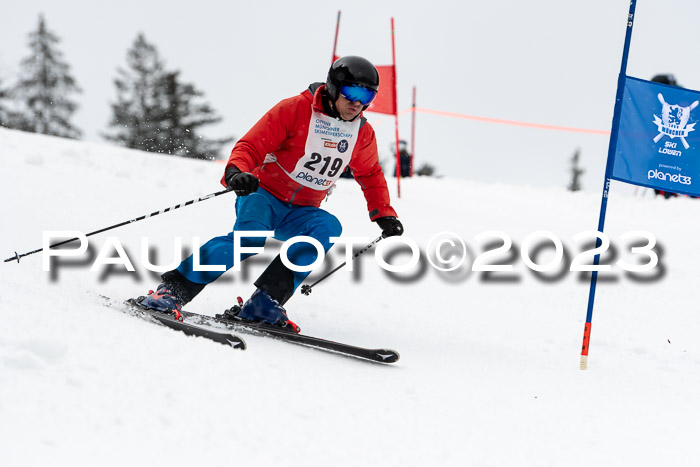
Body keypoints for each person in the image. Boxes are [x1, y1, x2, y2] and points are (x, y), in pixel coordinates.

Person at [137, 56, 404, 332]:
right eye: (353, 92)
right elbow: (252, 145)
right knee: (248, 240)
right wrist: (236, 173)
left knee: (327, 227)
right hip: (263, 194)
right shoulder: (296, 109)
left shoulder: (361, 133)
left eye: (368, 95)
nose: (358, 102)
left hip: (301, 210)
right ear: (335, 87)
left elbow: (370, 174)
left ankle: (264, 303)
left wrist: (383, 213)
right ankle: (172, 290)